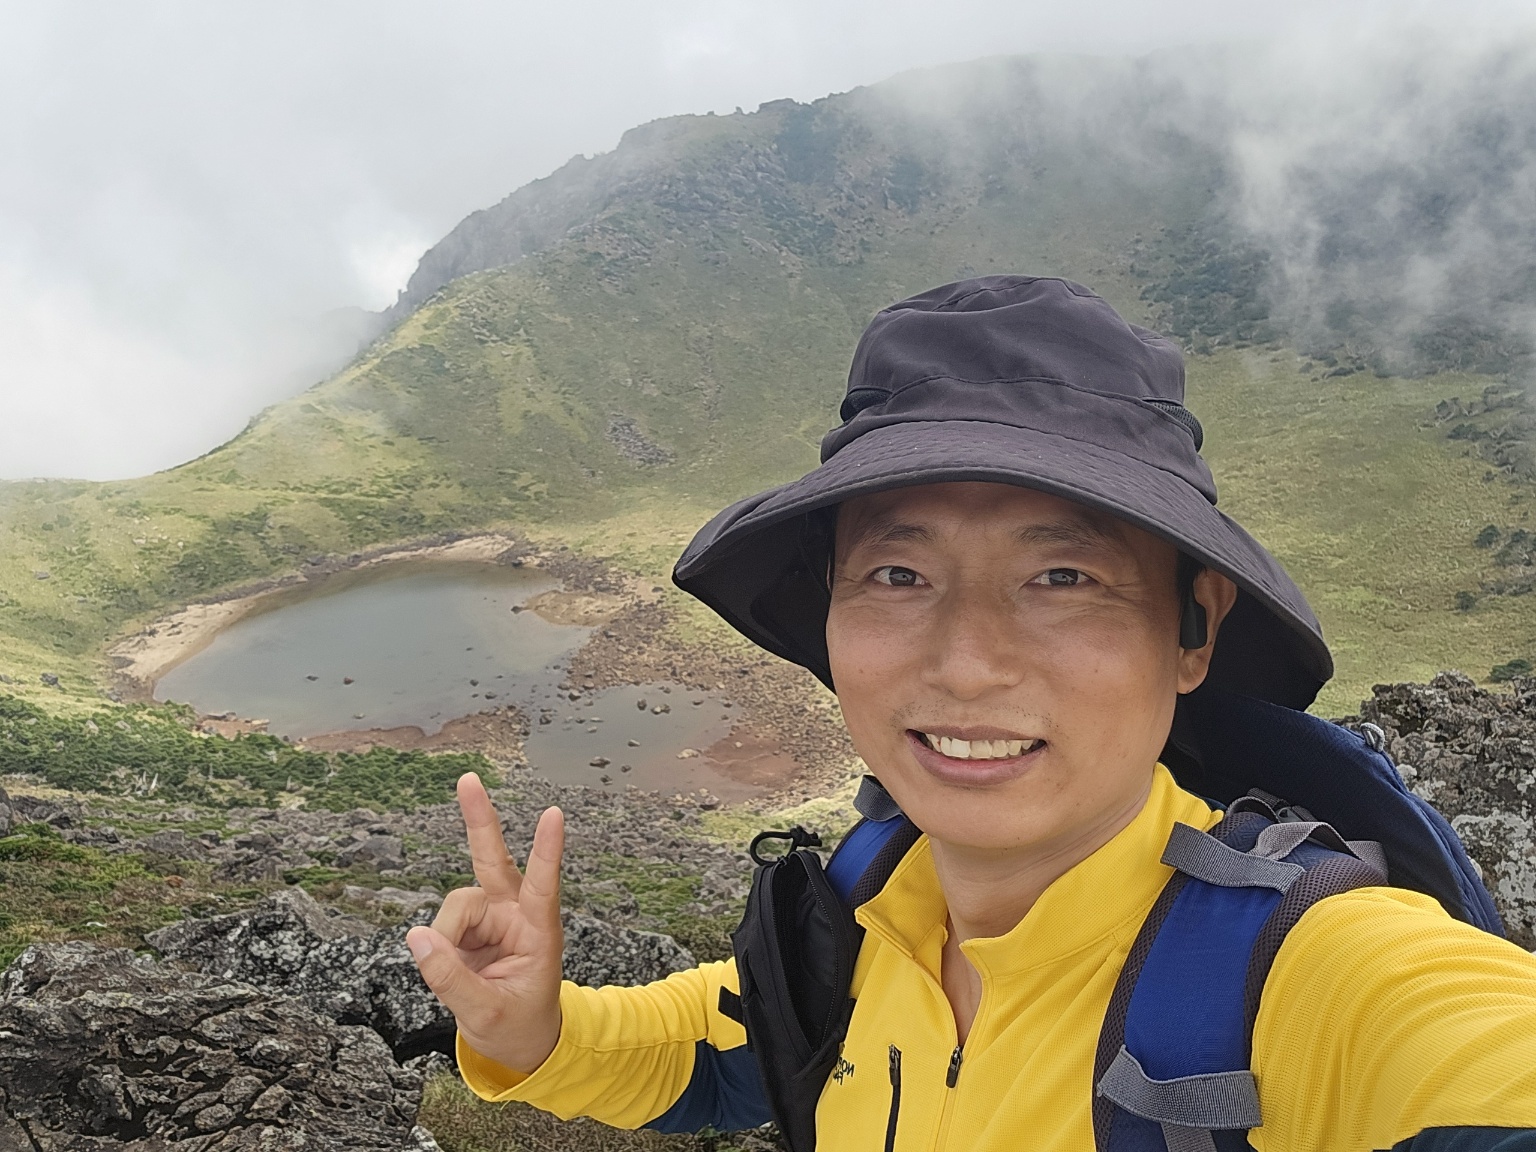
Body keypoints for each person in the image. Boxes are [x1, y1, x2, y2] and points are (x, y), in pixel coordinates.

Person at [407, 277, 1536, 1151]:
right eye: (899, 577)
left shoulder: (1314, 970)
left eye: (1064, 579)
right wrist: (535, 1031)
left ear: (1193, 631)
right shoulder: (860, 921)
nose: (968, 662)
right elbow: (717, 1051)